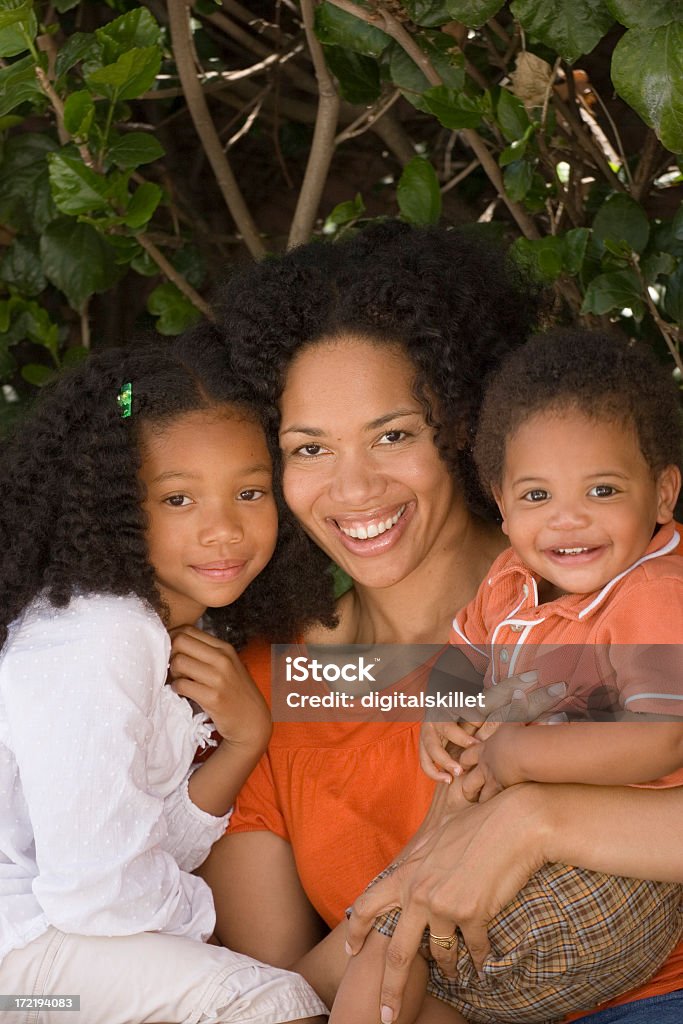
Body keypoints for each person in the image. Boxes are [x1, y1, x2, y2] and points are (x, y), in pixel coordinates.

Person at [182, 221, 682, 1022]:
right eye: (310, 449)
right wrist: (410, 893)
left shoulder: (601, 590)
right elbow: (271, 990)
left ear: (460, 427)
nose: (354, 489)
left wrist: (533, 819)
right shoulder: (273, 684)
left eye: (392, 435)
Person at [331, 329, 683, 1023]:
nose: (567, 518)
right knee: (384, 956)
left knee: (406, 951)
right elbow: (464, 650)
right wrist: (445, 707)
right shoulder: (512, 580)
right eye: (536, 496)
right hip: (513, 844)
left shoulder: (652, 592)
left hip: (621, 865)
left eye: (602, 489)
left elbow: (664, 740)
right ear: (500, 500)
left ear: (662, 493)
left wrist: (513, 754)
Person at [0, 342, 328, 1024]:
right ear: (113, 503)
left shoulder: (190, 638)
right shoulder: (104, 634)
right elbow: (101, 892)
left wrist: (243, 742)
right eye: (178, 498)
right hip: (25, 974)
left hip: (47, 959)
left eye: (249, 491)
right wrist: (200, 924)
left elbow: (129, 849)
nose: (223, 529)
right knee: (269, 1001)